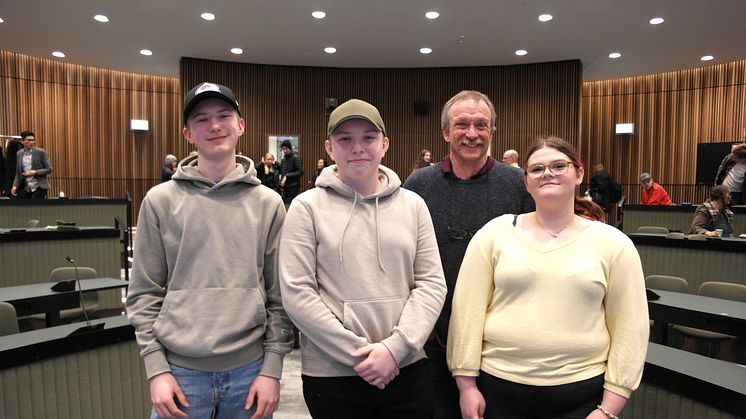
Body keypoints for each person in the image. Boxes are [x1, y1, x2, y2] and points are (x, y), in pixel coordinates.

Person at [448, 137, 649, 419]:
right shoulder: (495, 234)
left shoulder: (614, 244)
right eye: (537, 169)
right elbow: (466, 313)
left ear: (579, 174)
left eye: (558, 165)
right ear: (526, 181)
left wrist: (609, 409)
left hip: (581, 397)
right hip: (499, 391)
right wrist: (466, 385)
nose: (548, 174)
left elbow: (631, 329)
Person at [127, 82, 294, 419]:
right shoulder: (159, 202)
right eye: (201, 119)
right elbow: (144, 294)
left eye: (224, 115)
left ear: (241, 125)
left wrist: (272, 367)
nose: (215, 125)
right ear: (188, 134)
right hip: (180, 374)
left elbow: (281, 296)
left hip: (250, 372)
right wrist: (156, 369)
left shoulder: (269, 204)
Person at [279, 99, 447, 418]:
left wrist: (394, 350)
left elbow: (431, 285)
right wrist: (360, 355)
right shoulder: (305, 208)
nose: (358, 147)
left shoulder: (413, 206)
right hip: (331, 375)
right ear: (330, 148)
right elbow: (297, 294)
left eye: (368, 138)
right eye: (345, 139)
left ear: (384, 144)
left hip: (406, 367)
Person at [403, 90, 535, 419]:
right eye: (462, 124)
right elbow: (400, 258)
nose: (472, 134)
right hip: (433, 339)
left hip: (501, 342)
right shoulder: (419, 185)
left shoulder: (519, 184)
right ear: (446, 132)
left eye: (481, 125)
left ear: (492, 132)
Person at [11, 131, 52, 199]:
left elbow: (49, 169)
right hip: (27, 187)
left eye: (33, 140)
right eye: (29, 140)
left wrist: (35, 172)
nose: (32, 142)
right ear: (22, 141)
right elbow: (18, 173)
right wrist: (15, 186)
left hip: (39, 186)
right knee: (27, 208)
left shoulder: (40, 152)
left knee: (36, 208)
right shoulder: (19, 153)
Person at [715, 140, 746, 205]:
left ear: (743, 159)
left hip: (737, 193)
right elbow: (720, 173)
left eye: (735, 157)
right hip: (723, 190)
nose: (733, 158)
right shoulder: (729, 158)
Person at [280, 139, 303, 204]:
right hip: (285, 186)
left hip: (294, 186)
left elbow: (300, 172)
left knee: (292, 204)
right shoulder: (283, 160)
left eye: (286, 149)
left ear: (290, 148)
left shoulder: (296, 158)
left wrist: (287, 176)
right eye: (283, 149)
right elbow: (282, 172)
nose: (284, 150)